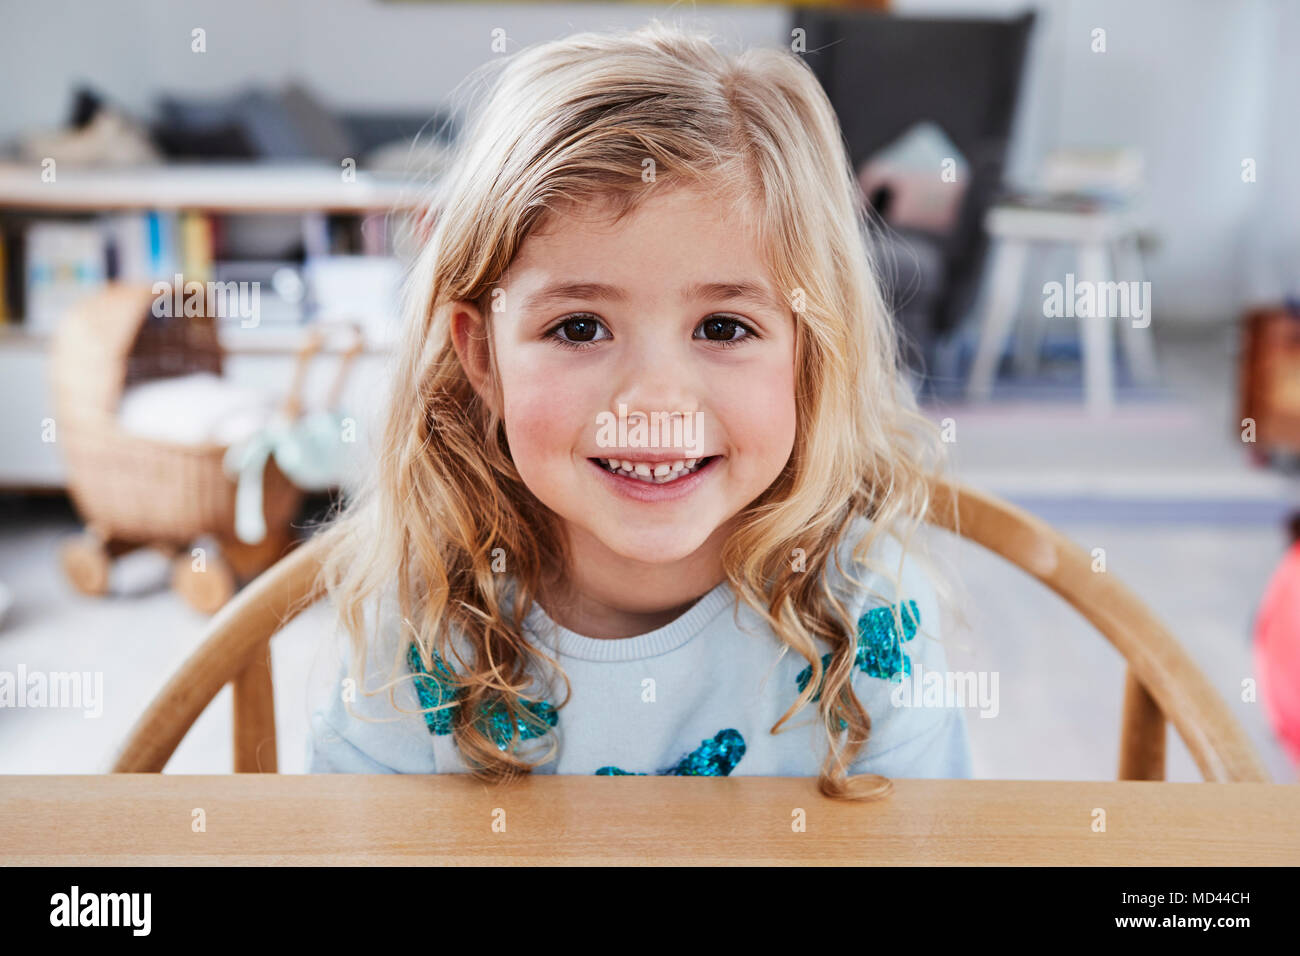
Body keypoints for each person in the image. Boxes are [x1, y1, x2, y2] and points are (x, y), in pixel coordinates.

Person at [304, 20, 973, 800]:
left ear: (809, 351)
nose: (654, 400)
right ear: (482, 354)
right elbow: (352, 842)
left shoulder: (867, 620)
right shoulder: (425, 620)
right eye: (578, 328)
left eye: (723, 328)